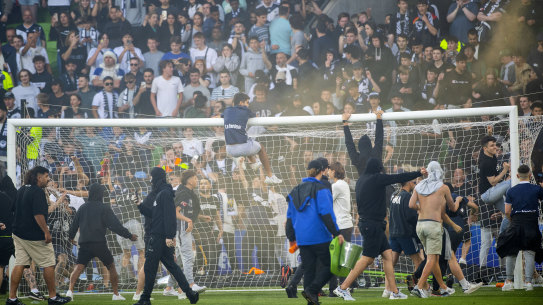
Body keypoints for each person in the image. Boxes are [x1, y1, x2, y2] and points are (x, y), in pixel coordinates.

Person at [334, 158, 422, 301]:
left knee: (387, 255)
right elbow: (399, 177)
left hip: (369, 224)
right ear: (378, 168)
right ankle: (343, 288)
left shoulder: (362, 179)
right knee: (367, 259)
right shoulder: (376, 179)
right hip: (372, 225)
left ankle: (394, 291)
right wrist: (418, 172)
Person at [134, 167, 199, 305]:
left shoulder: (164, 193)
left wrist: (170, 236)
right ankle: (191, 294)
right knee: (172, 267)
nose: (150, 179)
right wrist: (139, 204)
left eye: (151, 176)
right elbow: (154, 214)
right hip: (161, 236)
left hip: (160, 237)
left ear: (156, 177)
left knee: (150, 267)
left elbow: (169, 216)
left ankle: (145, 299)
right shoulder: (162, 193)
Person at [8, 166, 71, 305]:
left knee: (20, 264)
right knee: (49, 263)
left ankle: (12, 298)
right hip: (34, 235)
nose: (48, 179)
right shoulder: (37, 192)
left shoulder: (21, 189)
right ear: (39, 177)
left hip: (18, 234)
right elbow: (38, 215)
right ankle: (53, 297)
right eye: (46, 176)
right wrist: (46, 232)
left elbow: (12, 209)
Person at [285, 159, 344, 305]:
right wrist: (337, 233)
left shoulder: (294, 191)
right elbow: (326, 214)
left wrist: (291, 237)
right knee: (332, 266)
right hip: (319, 235)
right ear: (322, 171)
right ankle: (313, 290)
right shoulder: (321, 189)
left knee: (309, 270)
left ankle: (311, 301)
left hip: (302, 238)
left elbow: (289, 218)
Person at [66, 183, 137, 301]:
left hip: (84, 243)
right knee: (111, 266)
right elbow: (115, 226)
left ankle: (70, 292)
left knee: (78, 267)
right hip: (99, 243)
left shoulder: (83, 208)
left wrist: (70, 238)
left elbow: (74, 225)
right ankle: (116, 294)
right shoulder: (104, 207)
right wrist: (129, 235)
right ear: (101, 194)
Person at [408, 161, 456, 298]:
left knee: (432, 258)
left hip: (420, 225)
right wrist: (457, 202)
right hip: (433, 225)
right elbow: (452, 208)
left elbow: (411, 204)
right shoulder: (443, 187)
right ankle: (419, 286)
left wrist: (422, 208)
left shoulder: (419, 186)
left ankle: (443, 287)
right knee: (432, 258)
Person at [497, 165, 543, 292]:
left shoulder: (511, 191)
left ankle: (509, 282)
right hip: (531, 223)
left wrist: (513, 221)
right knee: (530, 252)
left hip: (516, 223)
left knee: (511, 252)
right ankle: (529, 282)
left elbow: (507, 211)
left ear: (517, 176)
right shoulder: (537, 189)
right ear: (530, 175)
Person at [223, 93, 281, 185]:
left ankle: (253, 162)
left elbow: (221, 116)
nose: (248, 105)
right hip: (243, 148)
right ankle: (270, 176)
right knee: (261, 148)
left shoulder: (227, 111)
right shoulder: (245, 110)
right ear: (241, 103)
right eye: (247, 102)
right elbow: (256, 117)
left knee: (248, 138)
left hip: (229, 150)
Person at [167, 170, 207, 296]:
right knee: (188, 256)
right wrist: (188, 220)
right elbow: (176, 212)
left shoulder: (189, 193)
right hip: (182, 228)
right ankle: (190, 284)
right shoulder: (184, 193)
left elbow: (187, 210)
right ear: (189, 180)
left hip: (184, 227)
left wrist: (200, 217)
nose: (197, 180)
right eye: (195, 178)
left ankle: (169, 288)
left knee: (179, 260)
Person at [478, 135, 511, 234]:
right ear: (485, 148)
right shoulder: (486, 162)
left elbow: (485, 142)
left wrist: (489, 133)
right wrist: (505, 170)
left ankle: (501, 238)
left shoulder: (487, 154)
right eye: (492, 146)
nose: (495, 147)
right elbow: (493, 182)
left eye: (495, 145)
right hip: (488, 194)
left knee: (510, 214)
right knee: (511, 181)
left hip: (494, 192)